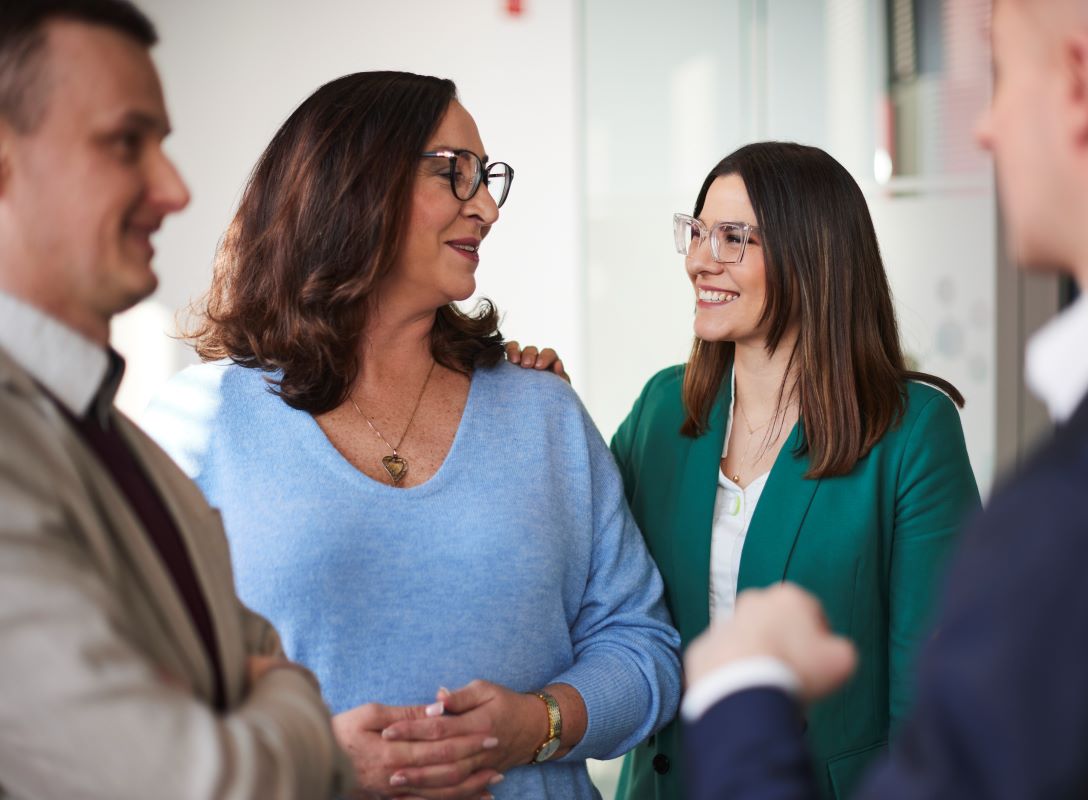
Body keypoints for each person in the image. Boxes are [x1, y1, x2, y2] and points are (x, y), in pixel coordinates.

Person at [681, 0, 1088, 796]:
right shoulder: (662, 413)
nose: (984, 130)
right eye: (697, 232)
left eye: (1001, 76)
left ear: (1084, 83)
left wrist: (742, 689)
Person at [143, 70, 681, 800]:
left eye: (487, 178)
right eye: (455, 174)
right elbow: (127, 686)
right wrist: (307, 759)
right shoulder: (200, 421)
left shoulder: (544, 414)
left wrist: (539, 722)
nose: (486, 207)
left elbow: (642, 646)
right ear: (353, 184)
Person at [0, 2, 355, 798]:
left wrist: (252, 710)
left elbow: (245, 653)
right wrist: (297, 709)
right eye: (127, 142)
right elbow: (192, 781)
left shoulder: (118, 442)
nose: (176, 189)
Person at [611, 142, 980, 800]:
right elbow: (574, 568)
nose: (701, 259)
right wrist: (527, 399)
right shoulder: (663, 409)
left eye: (732, 238)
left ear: (813, 256)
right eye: (697, 232)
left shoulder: (912, 431)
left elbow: (934, 697)